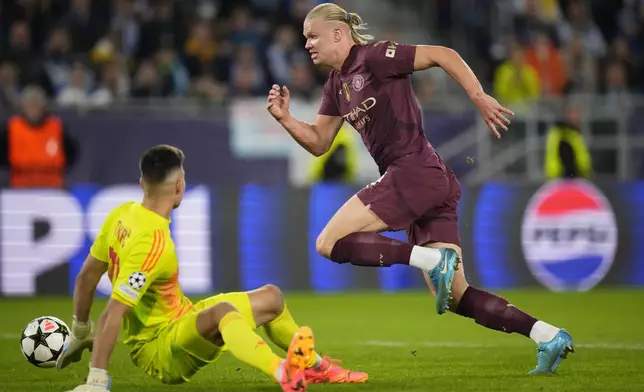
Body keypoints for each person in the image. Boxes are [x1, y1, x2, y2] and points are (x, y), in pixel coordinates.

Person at [266, 2, 574, 375]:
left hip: (412, 170)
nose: (308, 44)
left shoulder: (376, 56)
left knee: (327, 242)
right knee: (458, 296)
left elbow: (443, 54)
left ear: (337, 33)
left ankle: (430, 259)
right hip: (427, 179)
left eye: (312, 36)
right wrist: (285, 119)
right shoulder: (335, 86)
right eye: (305, 38)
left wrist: (477, 96)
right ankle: (547, 335)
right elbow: (318, 142)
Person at [56, 144, 367, 392]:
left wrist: (80, 330)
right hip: (160, 350)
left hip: (181, 318)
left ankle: (316, 368)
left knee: (272, 298)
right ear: (179, 186)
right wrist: (97, 379)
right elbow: (113, 312)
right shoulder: (153, 244)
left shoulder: (121, 214)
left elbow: (86, 277)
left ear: (142, 183)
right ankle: (283, 371)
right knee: (222, 314)